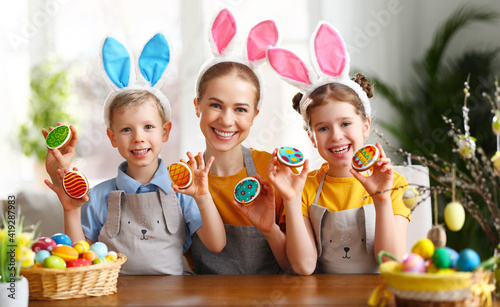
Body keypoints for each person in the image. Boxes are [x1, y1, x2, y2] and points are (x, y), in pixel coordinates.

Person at [44, 33, 226, 275]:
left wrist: (202, 197)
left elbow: (216, 245)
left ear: (165, 131)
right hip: (114, 296)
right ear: (112, 137)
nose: (139, 137)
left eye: (148, 127)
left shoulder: (184, 192)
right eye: (126, 129)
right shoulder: (98, 196)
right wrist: (71, 210)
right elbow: (79, 257)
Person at [266, 22, 411, 275]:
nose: (336, 136)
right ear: (312, 137)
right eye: (323, 128)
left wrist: (382, 199)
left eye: (346, 123)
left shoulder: (395, 184)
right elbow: (304, 266)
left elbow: (391, 263)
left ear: (365, 126)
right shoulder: (304, 188)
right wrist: (290, 199)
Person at [176, 9, 290, 274]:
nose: (227, 121)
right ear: (197, 106)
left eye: (240, 109)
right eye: (216, 105)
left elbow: (295, 266)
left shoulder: (273, 171)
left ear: (254, 116)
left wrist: (270, 230)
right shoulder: (184, 178)